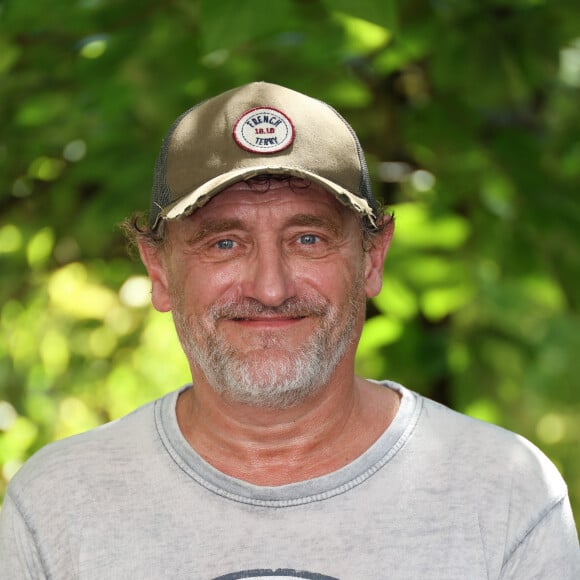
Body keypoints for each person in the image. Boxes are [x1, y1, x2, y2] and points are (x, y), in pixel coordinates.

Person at [0, 82, 578, 580]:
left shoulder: (504, 493)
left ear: (373, 259)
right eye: (224, 242)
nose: (270, 288)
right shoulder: (58, 503)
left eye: (309, 238)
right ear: (159, 272)